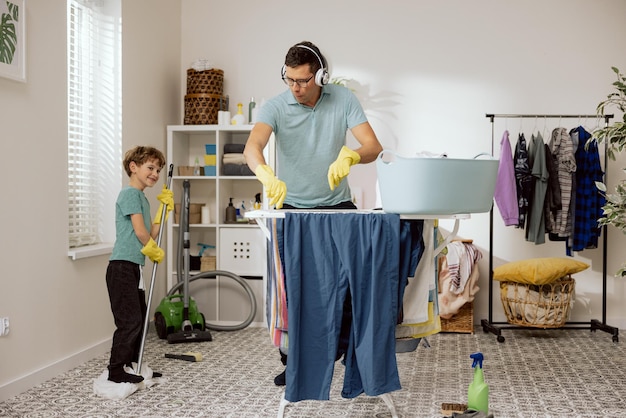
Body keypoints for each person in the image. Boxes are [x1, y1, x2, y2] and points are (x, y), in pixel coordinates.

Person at [243, 41, 383, 386]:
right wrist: (264, 173)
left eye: (303, 81)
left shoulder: (343, 99)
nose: (296, 88)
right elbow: (252, 146)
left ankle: (350, 357)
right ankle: (293, 363)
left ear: (321, 75)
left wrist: (351, 155)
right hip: (291, 208)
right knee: (293, 290)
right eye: (290, 80)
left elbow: (373, 146)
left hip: (337, 204)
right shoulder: (276, 105)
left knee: (351, 284)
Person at [106, 146, 173, 383]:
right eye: (150, 167)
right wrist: (152, 249)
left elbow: (151, 233)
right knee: (130, 321)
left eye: (158, 170)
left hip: (134, 267)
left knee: (141, 319)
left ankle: (134, 365)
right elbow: (140, 233)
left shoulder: (142, 198)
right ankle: (116, 371)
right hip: (122, 267)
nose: (155, 173)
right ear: (133, 167)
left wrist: (163, 212)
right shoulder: (129, 194)